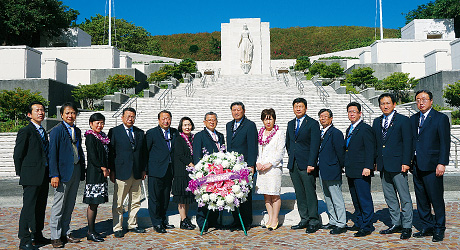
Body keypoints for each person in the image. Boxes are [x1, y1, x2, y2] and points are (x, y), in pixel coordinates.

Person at [410, 90, 450, 242]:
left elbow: (445, 143)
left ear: (431, 101)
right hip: (417, 165)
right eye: (418, 99)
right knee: (421, 199)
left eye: (424, 99)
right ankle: (427, 226)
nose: (421, 102)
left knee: (436, 198)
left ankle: (439, 228)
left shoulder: (440, 118)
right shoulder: (413, 119)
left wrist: (442, 163)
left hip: (433, 166)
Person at [372, 93, 413, 240]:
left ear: (394, 104)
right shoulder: (377, 122)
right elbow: (377, 144)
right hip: (383, 165)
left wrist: (406, 162)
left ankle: (407, 225)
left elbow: (408, 143)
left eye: (388, 103)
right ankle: (396, 223)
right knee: (390, 197)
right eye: (382, 103)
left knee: (404, 197)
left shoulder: (403, 120)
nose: (385, 106)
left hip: (398, 164)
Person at [14, 101, 50, 250]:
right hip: (30, 176)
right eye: (37, 110)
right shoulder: (26, 131)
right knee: (29, 208)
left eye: (42, 110)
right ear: (30, 114)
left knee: (40, 206)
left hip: (43, 175)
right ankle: (24, 239)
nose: (40, 112)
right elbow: (18, 155)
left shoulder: (43, 131)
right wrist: (22, 174)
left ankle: (37, 234)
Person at [49, 102, 85, 248]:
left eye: (73, 113)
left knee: (70, 204)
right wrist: (54, 174)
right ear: (62, 115)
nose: (71, 115)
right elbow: (52, 154)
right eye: (68, 113)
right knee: (58, 205)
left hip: (75, 171)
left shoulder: (77, 130)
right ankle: (55, 236)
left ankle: (66, 232)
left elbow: (79, 150)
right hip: (62, 173)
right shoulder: (56, 131)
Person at [108, 107, 147, 238]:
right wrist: (112, 170)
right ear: (122, 117)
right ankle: (117, 227)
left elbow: (143, 154)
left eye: (133, 116)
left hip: (136, 172)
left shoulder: (140, 133)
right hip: (121, 171)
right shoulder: (114, 132)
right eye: (128, 116)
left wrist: (143, 170)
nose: (130, 119)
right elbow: (111, 153)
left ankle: (132, 224)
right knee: (119, 202)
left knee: (135, 201)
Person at [286, 98, 321, 234]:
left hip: (307, 164)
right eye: (296, 106)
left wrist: (311, 163)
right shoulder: (290, 124)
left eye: (301, 106)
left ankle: (313, 220)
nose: (298, 109)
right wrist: (292, 156)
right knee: (299, 192)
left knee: (309, 192)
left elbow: (315, 145)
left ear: (305, 108)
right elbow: (289, 143)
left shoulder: (312, 123)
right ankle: (304, 218)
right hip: (294, 163)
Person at [344, 102, 375, 237]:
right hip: (351, 170)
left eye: (354, 112)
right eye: (349, 112)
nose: (352, 114)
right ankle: (359, 221)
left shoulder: (365, 128)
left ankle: (367, 225)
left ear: (360, 113)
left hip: (362, 170)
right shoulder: (349, 129)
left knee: (364, 198)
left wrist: (368, 166)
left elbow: (370, 149)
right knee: (356, 199)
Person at [226, 102, 258, 230]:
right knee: (233, 193)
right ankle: (236, 220)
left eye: (238, 110)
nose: (236, 112)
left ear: (244, 111)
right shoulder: (229, 125)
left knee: (245, 193)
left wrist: (251, 165)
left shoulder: (250, 125)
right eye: (234, 110)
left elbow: (252, 146)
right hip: (232, 166)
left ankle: (246, 221)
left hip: (245, 166)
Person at [193, 112, 225, 232]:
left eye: (214, 120)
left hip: (219, 172)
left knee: (216, 196)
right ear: (204, 122)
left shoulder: (220, 136)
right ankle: (202, 222)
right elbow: (197, 155)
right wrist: (200, 171)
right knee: (205, 197)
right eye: (209, 120)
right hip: (206, 173)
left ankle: (213, 220)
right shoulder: (199, 136)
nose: (212, 122)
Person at [146, 110, 177, 233]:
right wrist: (145, 170)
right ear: (159, 120)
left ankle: (163, 220)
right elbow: (146, 152)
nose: (166, 121)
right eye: (163, 118)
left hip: (169, 170)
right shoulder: (151, 133)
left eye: (168, 118)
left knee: (165, 197)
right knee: (155, 197)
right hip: (155, 170)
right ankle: (156, 222)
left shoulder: (175, 132)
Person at [317, 108, 347, 235]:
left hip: (333, 169)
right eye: (321, 116)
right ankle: (333, 220)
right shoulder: (319, 133)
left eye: (325, 116)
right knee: (327, 197)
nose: (322, 118)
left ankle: (341, 223)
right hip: (322, 169)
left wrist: (339, 167)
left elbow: (340, 152)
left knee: (336, 197)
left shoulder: (336, 133)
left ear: (331, 118)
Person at [255, 108, 285, 231]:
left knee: (274, 194)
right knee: (266, 195)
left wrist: (270, 163)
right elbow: (257, 150)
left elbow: (280, 151)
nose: (268, 122)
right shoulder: (260, 133)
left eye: (270, 119)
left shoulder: (279, 133)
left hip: (273, 168)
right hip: (262, 168)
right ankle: (270, 217)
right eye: (266, 119)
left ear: (274, 119)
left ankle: (275, 218)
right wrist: (257, 162)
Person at [83, 113, 110, 242]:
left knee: (97, 203)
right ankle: (90, 231)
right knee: (93, 203)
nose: (100, 125)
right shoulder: (90, 137)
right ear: (91, 123)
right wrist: (103, 167)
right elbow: (93, 156)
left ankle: (93, 230)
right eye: (97, 123)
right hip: (94, 173)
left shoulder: (102, 137)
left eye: (102, 123)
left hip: (101, 174)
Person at [172, 117, 196, 230]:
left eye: (189, 124)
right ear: (181, 127)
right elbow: (180, 155)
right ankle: (183, 219)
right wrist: (191, 164)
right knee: (181, 197)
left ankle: (185, 220)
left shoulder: (192, 138)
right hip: (181, 171)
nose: (187, 127)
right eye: (185, 125)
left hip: (189, 173)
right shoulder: (178, 139)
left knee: (187, 197)